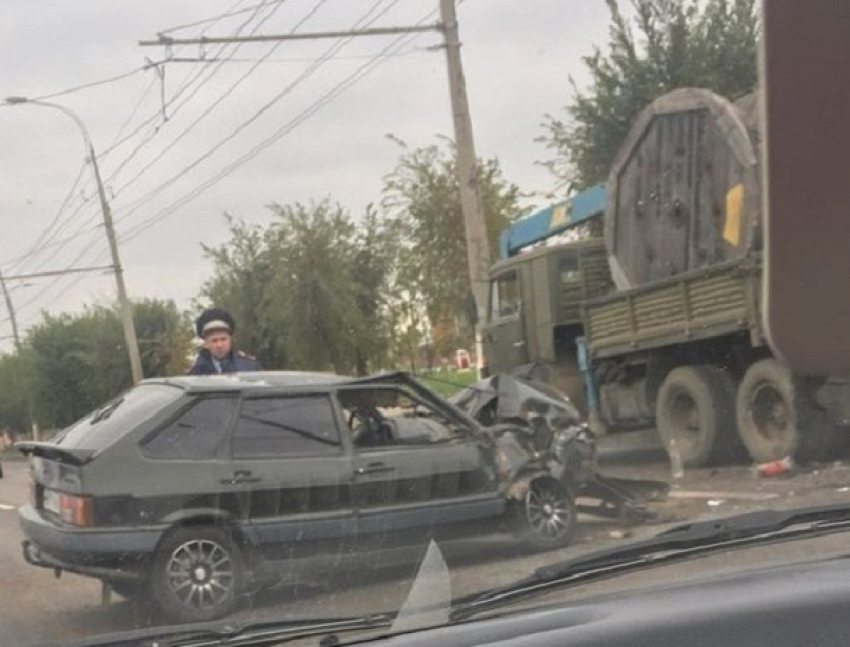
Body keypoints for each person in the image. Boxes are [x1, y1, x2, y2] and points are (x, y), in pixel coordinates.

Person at [188, 307, 262, 375]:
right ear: (206, 344)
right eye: (214, 341)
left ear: (230, 339)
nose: (219, 345)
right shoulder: (196, 374)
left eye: (223, 339)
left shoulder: (250, 368)